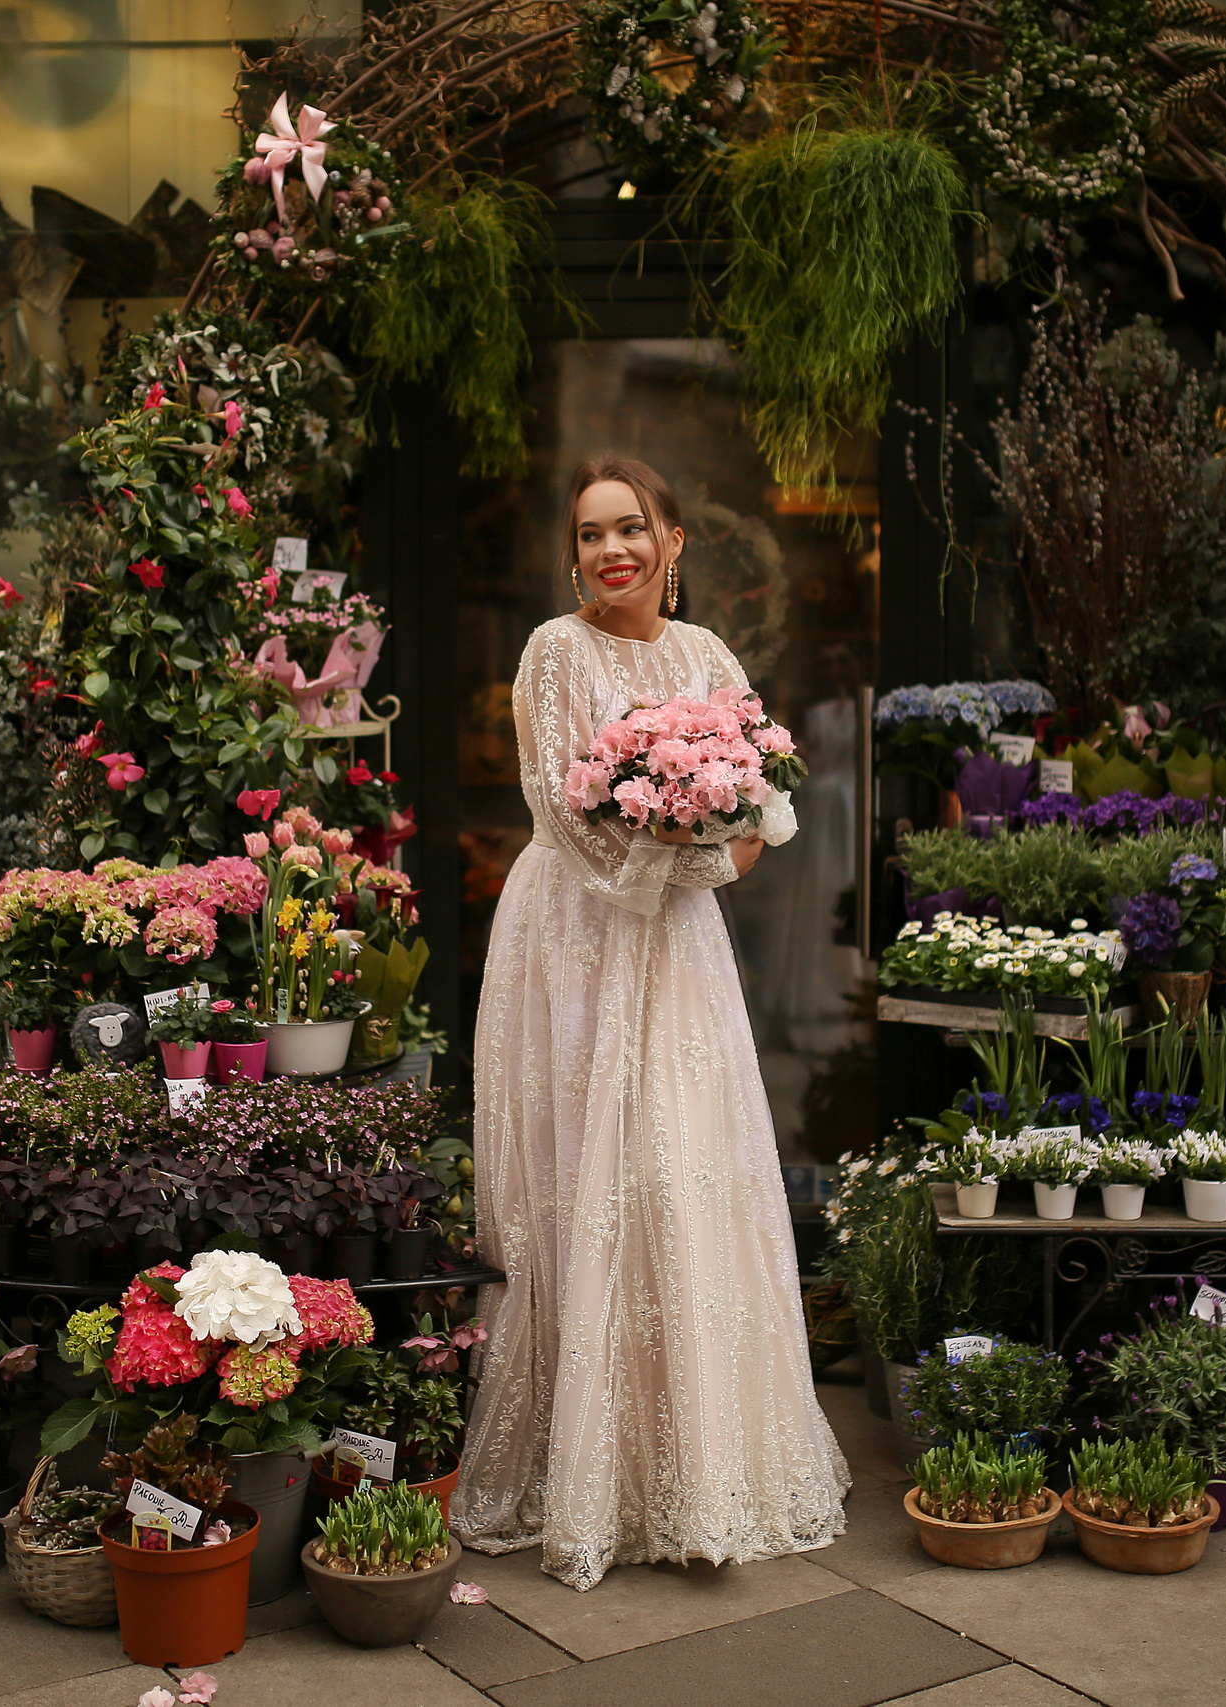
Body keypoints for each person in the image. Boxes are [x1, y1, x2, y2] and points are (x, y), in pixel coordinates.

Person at [450, 456, 850, 1592]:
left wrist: (709, 850)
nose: (610, 550)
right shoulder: (553, 651)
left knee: (681, 1169)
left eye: (630, 528)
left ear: (673, 541)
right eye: (590, 534)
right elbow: (558, 804)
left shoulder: (708, 655)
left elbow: (765, 801)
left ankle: (699, 1467)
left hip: (677, 946)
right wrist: (671, 858)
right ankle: (586, 1473)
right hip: (574, 937)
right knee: (586, 1171)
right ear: (571, 553)